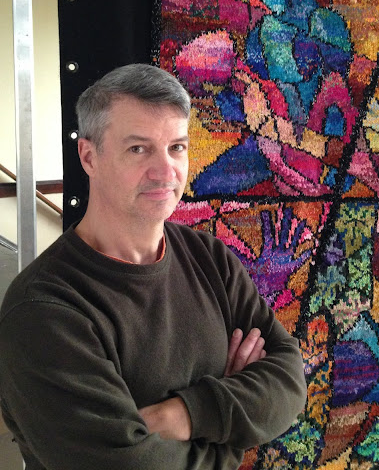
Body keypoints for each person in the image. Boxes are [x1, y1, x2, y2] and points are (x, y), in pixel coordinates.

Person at [0, 63, 307, 470]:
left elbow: (289, 380)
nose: (166, 172)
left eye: (176, 147)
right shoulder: (44, 309)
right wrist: (233, 436)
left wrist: (184, 414)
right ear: (89, 156)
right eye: (138, 149)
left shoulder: (209, 257)